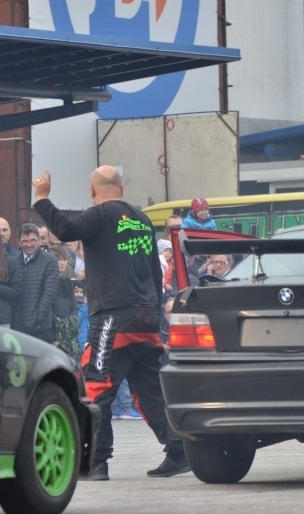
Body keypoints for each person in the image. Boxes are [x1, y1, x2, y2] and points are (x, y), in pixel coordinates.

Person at [32, 166, 189, 481]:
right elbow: (155, 271)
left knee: (96, 387)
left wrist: (42, 199)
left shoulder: (100, 214)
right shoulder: (141, 219)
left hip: (114, 316)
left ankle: (95, 462)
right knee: (149, 389)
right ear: (122, 187)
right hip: (145, 315)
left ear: (93, 190)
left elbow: (64, 229)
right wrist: (155, 310)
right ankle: (178, 451)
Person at [10, 223, 59, 343]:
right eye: (25, 241)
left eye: (33, 240)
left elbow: (50, 293)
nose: (29, 244)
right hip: (17, 326)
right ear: (19, 242)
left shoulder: (49, 260)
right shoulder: (12, 262)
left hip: (41, 327)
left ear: (38, 240)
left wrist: (37, 318)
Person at [49, 245, 81, 360]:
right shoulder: (47, 280)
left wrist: (72, 321)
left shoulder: (67, 281)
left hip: (68, 332)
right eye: (58, 259)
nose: (62, 263)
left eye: (64, 259)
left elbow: (73, 305)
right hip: (53, 332)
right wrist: (58, 322)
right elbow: (46, 305)